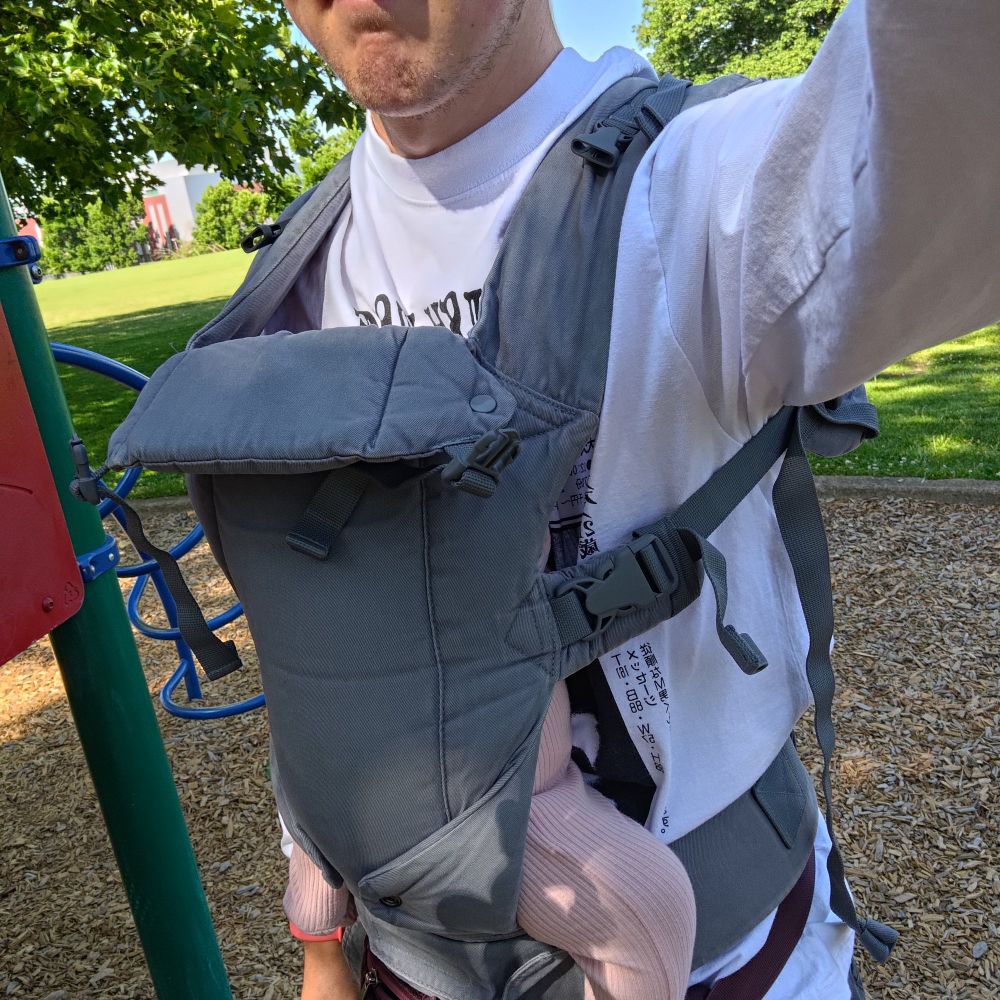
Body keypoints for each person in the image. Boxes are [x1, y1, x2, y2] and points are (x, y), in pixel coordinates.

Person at [272, 1, 1000, 997]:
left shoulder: (702, 186)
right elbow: (322, 658)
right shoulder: (301, 263)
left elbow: (941, 130)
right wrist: (323, 954)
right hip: (401, 958)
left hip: (715, 957)